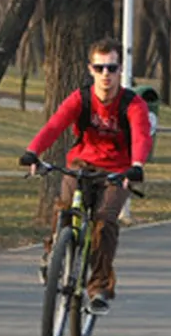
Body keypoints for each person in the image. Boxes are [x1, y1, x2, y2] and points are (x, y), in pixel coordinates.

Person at [19, 37, 152, 315]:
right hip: (81, 163)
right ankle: (53, 252)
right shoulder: (81, 98)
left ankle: (99, 288)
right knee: (66, 207)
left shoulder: (133, 104)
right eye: (100, 68)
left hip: (118, 170)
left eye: (112, 68)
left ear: (120, 70)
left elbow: (141, 135)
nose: (106, 74)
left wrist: (137, 164)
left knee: (104, 222)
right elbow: (55, 125)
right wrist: (33, 152)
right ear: (90, 69)